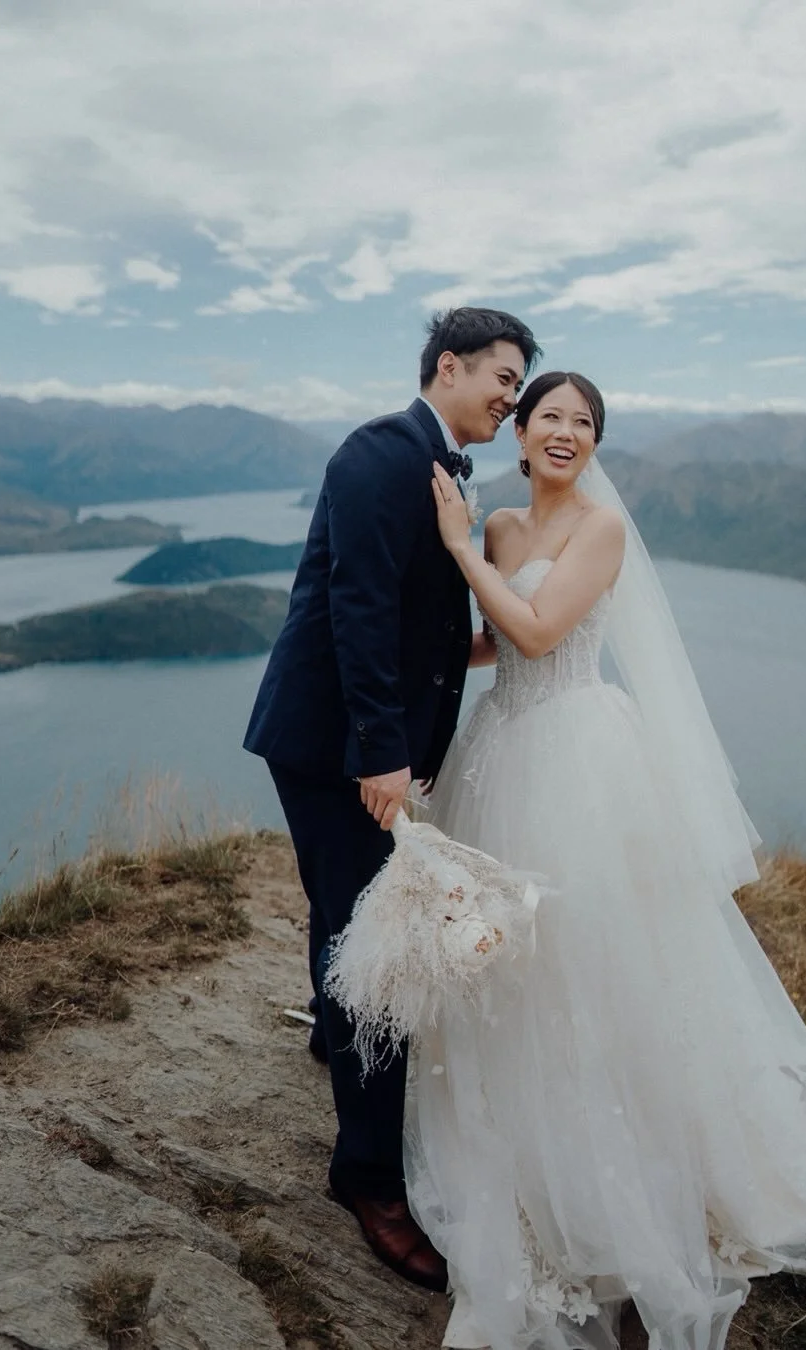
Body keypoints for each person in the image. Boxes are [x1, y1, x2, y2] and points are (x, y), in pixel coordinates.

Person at [410, 371, 806, 1350]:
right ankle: (518, 1133)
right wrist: (416, 658)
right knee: (504, 961)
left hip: (578, 761)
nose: (566, 432)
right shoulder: (500, 526)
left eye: (584, 423)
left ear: (594, 443)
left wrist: (455, 548)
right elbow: (500, 644)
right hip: (499, 750)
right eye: (549, 416)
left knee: (593, 959)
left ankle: (628, 1172)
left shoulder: (598, 531)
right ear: (521, 433)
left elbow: (542, 629)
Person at [243, 308, 541, 1292]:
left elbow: (414, 616)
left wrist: (493, 650)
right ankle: (367, 1178)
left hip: (339, 741)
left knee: (344, 908)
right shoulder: (383, 452)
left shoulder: (437, 463)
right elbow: (360, 606)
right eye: (502, 379)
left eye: (518, 384)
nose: (510, 400)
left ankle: (332, 1038)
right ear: (448, 366)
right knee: (384, 943)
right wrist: (381, 754)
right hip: (335, 746)